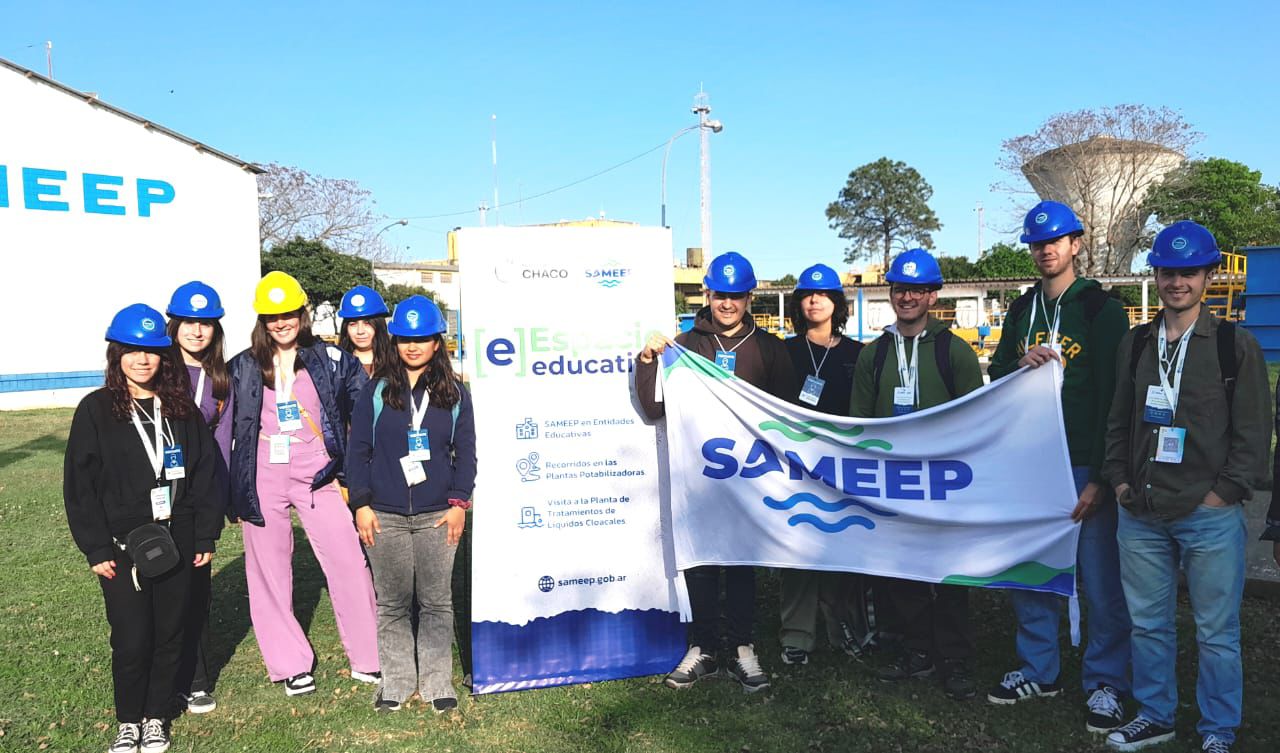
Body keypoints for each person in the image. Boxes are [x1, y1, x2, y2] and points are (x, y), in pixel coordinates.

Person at [1102, 221, 1271, 753]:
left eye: (1188, 272)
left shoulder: (1232, 346)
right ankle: (1156, 714)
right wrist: (1122, 483)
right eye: (1169, 272)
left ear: (1207, 276)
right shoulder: (1135, 344)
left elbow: (1253, 432)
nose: (1177, 282)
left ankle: (1218, 726)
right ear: (1156, 274)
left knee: (1216, 631)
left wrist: (1223, 493)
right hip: (1142, 511)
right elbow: (1118, 422)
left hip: (1208, 514)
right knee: (1149, 624)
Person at [985, 200, 1133, 733]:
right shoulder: (1023, 310)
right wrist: (1015, 365)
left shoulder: (1100, 309)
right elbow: (999, 375)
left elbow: (1118, 399)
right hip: (1029, 465)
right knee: (1033, 572)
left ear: (1076, 244)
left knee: (1098, 577)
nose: (1047, 249)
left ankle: (1105, 681)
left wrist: (1100, 475)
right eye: (1038, 242)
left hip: (1079, 464)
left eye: (1058, 240)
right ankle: (1039, 669)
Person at [65, 303, 224, 753]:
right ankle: (128, 722)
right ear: (116, 355)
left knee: (171, 634)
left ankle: (156, 717)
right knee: (133, 638)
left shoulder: (182, 410)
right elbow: (80, 486)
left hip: (180, 540)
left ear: (164, 357)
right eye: (131, 351)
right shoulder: (96, 410)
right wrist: (96, 548)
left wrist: (206, 535)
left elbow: (204, 475)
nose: (142, 360)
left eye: (151, 351)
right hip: (121, 549)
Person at [636, 251, 798, 693]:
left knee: (742, 562)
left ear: (749, 297)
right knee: (702, 561)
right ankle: (704, 646)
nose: (727, 303)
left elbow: (790, 418)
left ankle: (743, 646)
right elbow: (654, 408)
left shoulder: (770, 349)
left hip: (750, 478)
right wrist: (648, 360)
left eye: (736, 296)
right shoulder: (685, 347)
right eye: (719, 294)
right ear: (707, 294)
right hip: (700, 479)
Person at [227, 271, 379, 696]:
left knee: (348, 559)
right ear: (262, 319)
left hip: (317, 473)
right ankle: (290, 663)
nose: (281, 322)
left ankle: (369, 657)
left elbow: (367, 406)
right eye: (271, 315)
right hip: (262, 473)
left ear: (302, 313)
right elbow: (219, 423)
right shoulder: (242, 365)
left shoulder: (329, 359)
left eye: (288, 313)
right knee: (269, 571)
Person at [848, 248, 984, 701]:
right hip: (894, 484)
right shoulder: (876, 354)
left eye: (917, 290)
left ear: (932, 294)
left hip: (944, 483)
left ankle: (956, 657)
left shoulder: (954, 351)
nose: (907, 297)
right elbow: (860, 423)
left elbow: (977, 419)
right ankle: (917, 650)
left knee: (950, 574)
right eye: (900, 289)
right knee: (901, 573)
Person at [347, 295, 477, 713]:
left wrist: (458, 503)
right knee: (393, 603)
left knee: (437, 601)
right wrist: (361, 504)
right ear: (395, 341)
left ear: (437, 343)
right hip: (383, 514)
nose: (413, 347)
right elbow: (358, 449)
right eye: (405, 339)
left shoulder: (454, 392)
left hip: (439, 514)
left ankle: (438, 681)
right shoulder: (377, 389)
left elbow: (466, 451)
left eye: (422, 339)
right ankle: (397, 682)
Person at [777, 263, 867, 666]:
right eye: (807, 295)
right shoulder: (783, 351)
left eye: (823, 294)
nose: (814, 301)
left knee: (842, 545)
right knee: (797, 548)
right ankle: (796, 634)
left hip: (843, 468)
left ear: (837, 302)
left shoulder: (857, 354)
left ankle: (843, 628)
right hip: (793, 466)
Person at [164, 280, 232, 715]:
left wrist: (222, 501)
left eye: (205, 324)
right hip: (152, 495)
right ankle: (161, 676)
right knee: (153, 590)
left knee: (195, 590)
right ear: (174, 325)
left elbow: (223, 443)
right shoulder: (154, 366)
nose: (196, 331)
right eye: (189, 322)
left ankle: (197, 680)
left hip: (195, 498)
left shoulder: (220, 378)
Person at [337, 285, 394, 377]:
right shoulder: (335, 366)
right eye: (353, 324)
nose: (360, 331)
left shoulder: (396, 364)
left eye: (367, 323)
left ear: (379, 325)